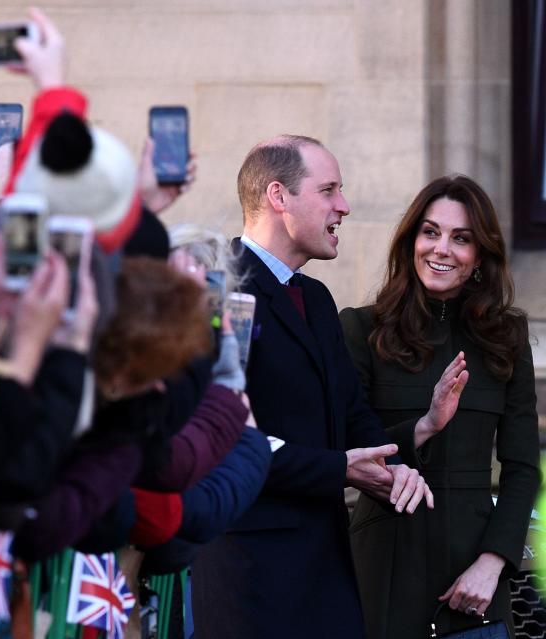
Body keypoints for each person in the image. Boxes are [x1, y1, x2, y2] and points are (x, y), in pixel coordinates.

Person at [190, 135, 464, 639]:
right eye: (329, 189)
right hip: (251, 581)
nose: (344, 205)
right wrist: (341, 468)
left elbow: (351, 414)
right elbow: (223, 441)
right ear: (279, 196)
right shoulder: (216, 290)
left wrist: (393, 467)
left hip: (327, 574)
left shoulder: (315, 298)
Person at [341, 174, 541, 638]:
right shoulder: (360, 330)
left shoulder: (506, 339)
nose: (441, 249)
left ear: (479, 259)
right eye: (430, 232)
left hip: (473, 584)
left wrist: (492, 564)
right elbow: (346, 447)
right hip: (384, 575)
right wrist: (425, 426)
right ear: (411, 241)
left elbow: (523, 467)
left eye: (461, 238)